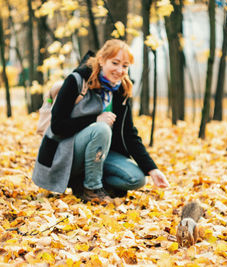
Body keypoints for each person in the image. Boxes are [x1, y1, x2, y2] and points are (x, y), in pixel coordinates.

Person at [32, 39, 169, 203]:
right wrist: (95, 119)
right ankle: (92, 188)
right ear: (102, 60)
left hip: (99, 154)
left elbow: (129, 134)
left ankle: (82, 185)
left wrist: (152, 169)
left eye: (125, 66)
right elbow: (57, 126)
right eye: (115, 63)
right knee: (101, 129)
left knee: (136, 179)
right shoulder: (76, 81)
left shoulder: (121, 90)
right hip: (65, 152)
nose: (120, 70)